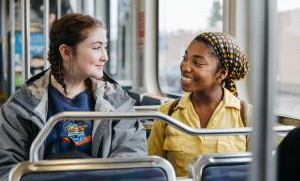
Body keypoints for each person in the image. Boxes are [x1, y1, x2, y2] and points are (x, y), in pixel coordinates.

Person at [0, 13, 147, 180]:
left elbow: (132, 159)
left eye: (105, 47)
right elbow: (7, 167)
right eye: (97, 47)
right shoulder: (23, 105)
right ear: (66, 52)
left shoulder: (116, 101)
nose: (105, 56)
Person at [148, 32, 251, 176]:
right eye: (185, 58)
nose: (185, 67)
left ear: (221, 74)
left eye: (197, 63)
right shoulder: (167, 113)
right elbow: (153, 171)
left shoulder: (246, 116)